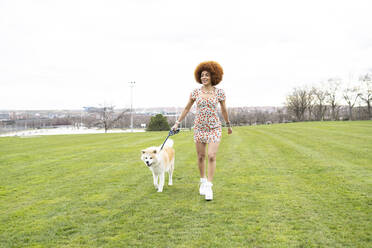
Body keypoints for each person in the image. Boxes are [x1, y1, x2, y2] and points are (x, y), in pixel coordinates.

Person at [171, 61, 232, 201]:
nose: (204, 77)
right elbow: (187, 108)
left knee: (211, 155)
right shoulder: (195, 92)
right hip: (199, 128)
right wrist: (177, 123)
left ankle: (209, 186)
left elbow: (223, 109)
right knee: (200, 156)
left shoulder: (219, 92)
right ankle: (203, 181)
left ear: (213, 76)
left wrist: (228, 125)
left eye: (207, 75)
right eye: (202, 75)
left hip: (214, 128)